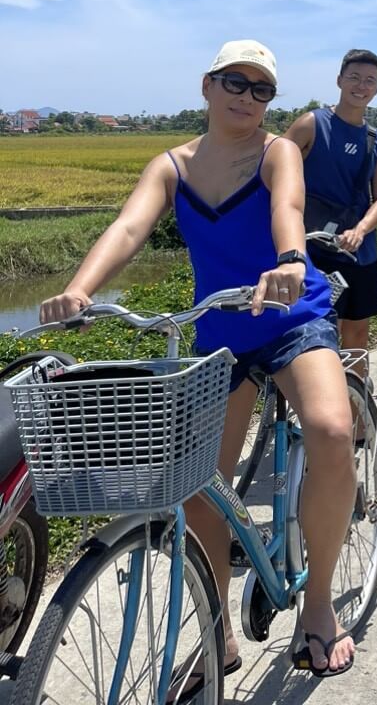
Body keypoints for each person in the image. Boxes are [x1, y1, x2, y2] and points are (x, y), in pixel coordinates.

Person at [40, 41, 357, 680]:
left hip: (290, 314)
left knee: (330, 428)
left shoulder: (278, 152)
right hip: (217, 328)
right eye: (234, 83)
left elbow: (286, 209)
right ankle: (219, 631)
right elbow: (129, 228)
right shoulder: (172, 166)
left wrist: (292, 260)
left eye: (261, 89)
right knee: (199, 486)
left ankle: (318, 605)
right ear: (207, 86)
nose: (246, 97)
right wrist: (81, 288)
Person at [285, 48, 377, 454]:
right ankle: (306, 423)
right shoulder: (311, 125)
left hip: (359, 255)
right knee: (310, 342)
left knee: (355, 342)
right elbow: (274, 172)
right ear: (339, 80)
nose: (361, 86)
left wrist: (361, 229)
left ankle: (359, 421)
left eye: (369, 80)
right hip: (311, 254)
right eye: (354, 77)